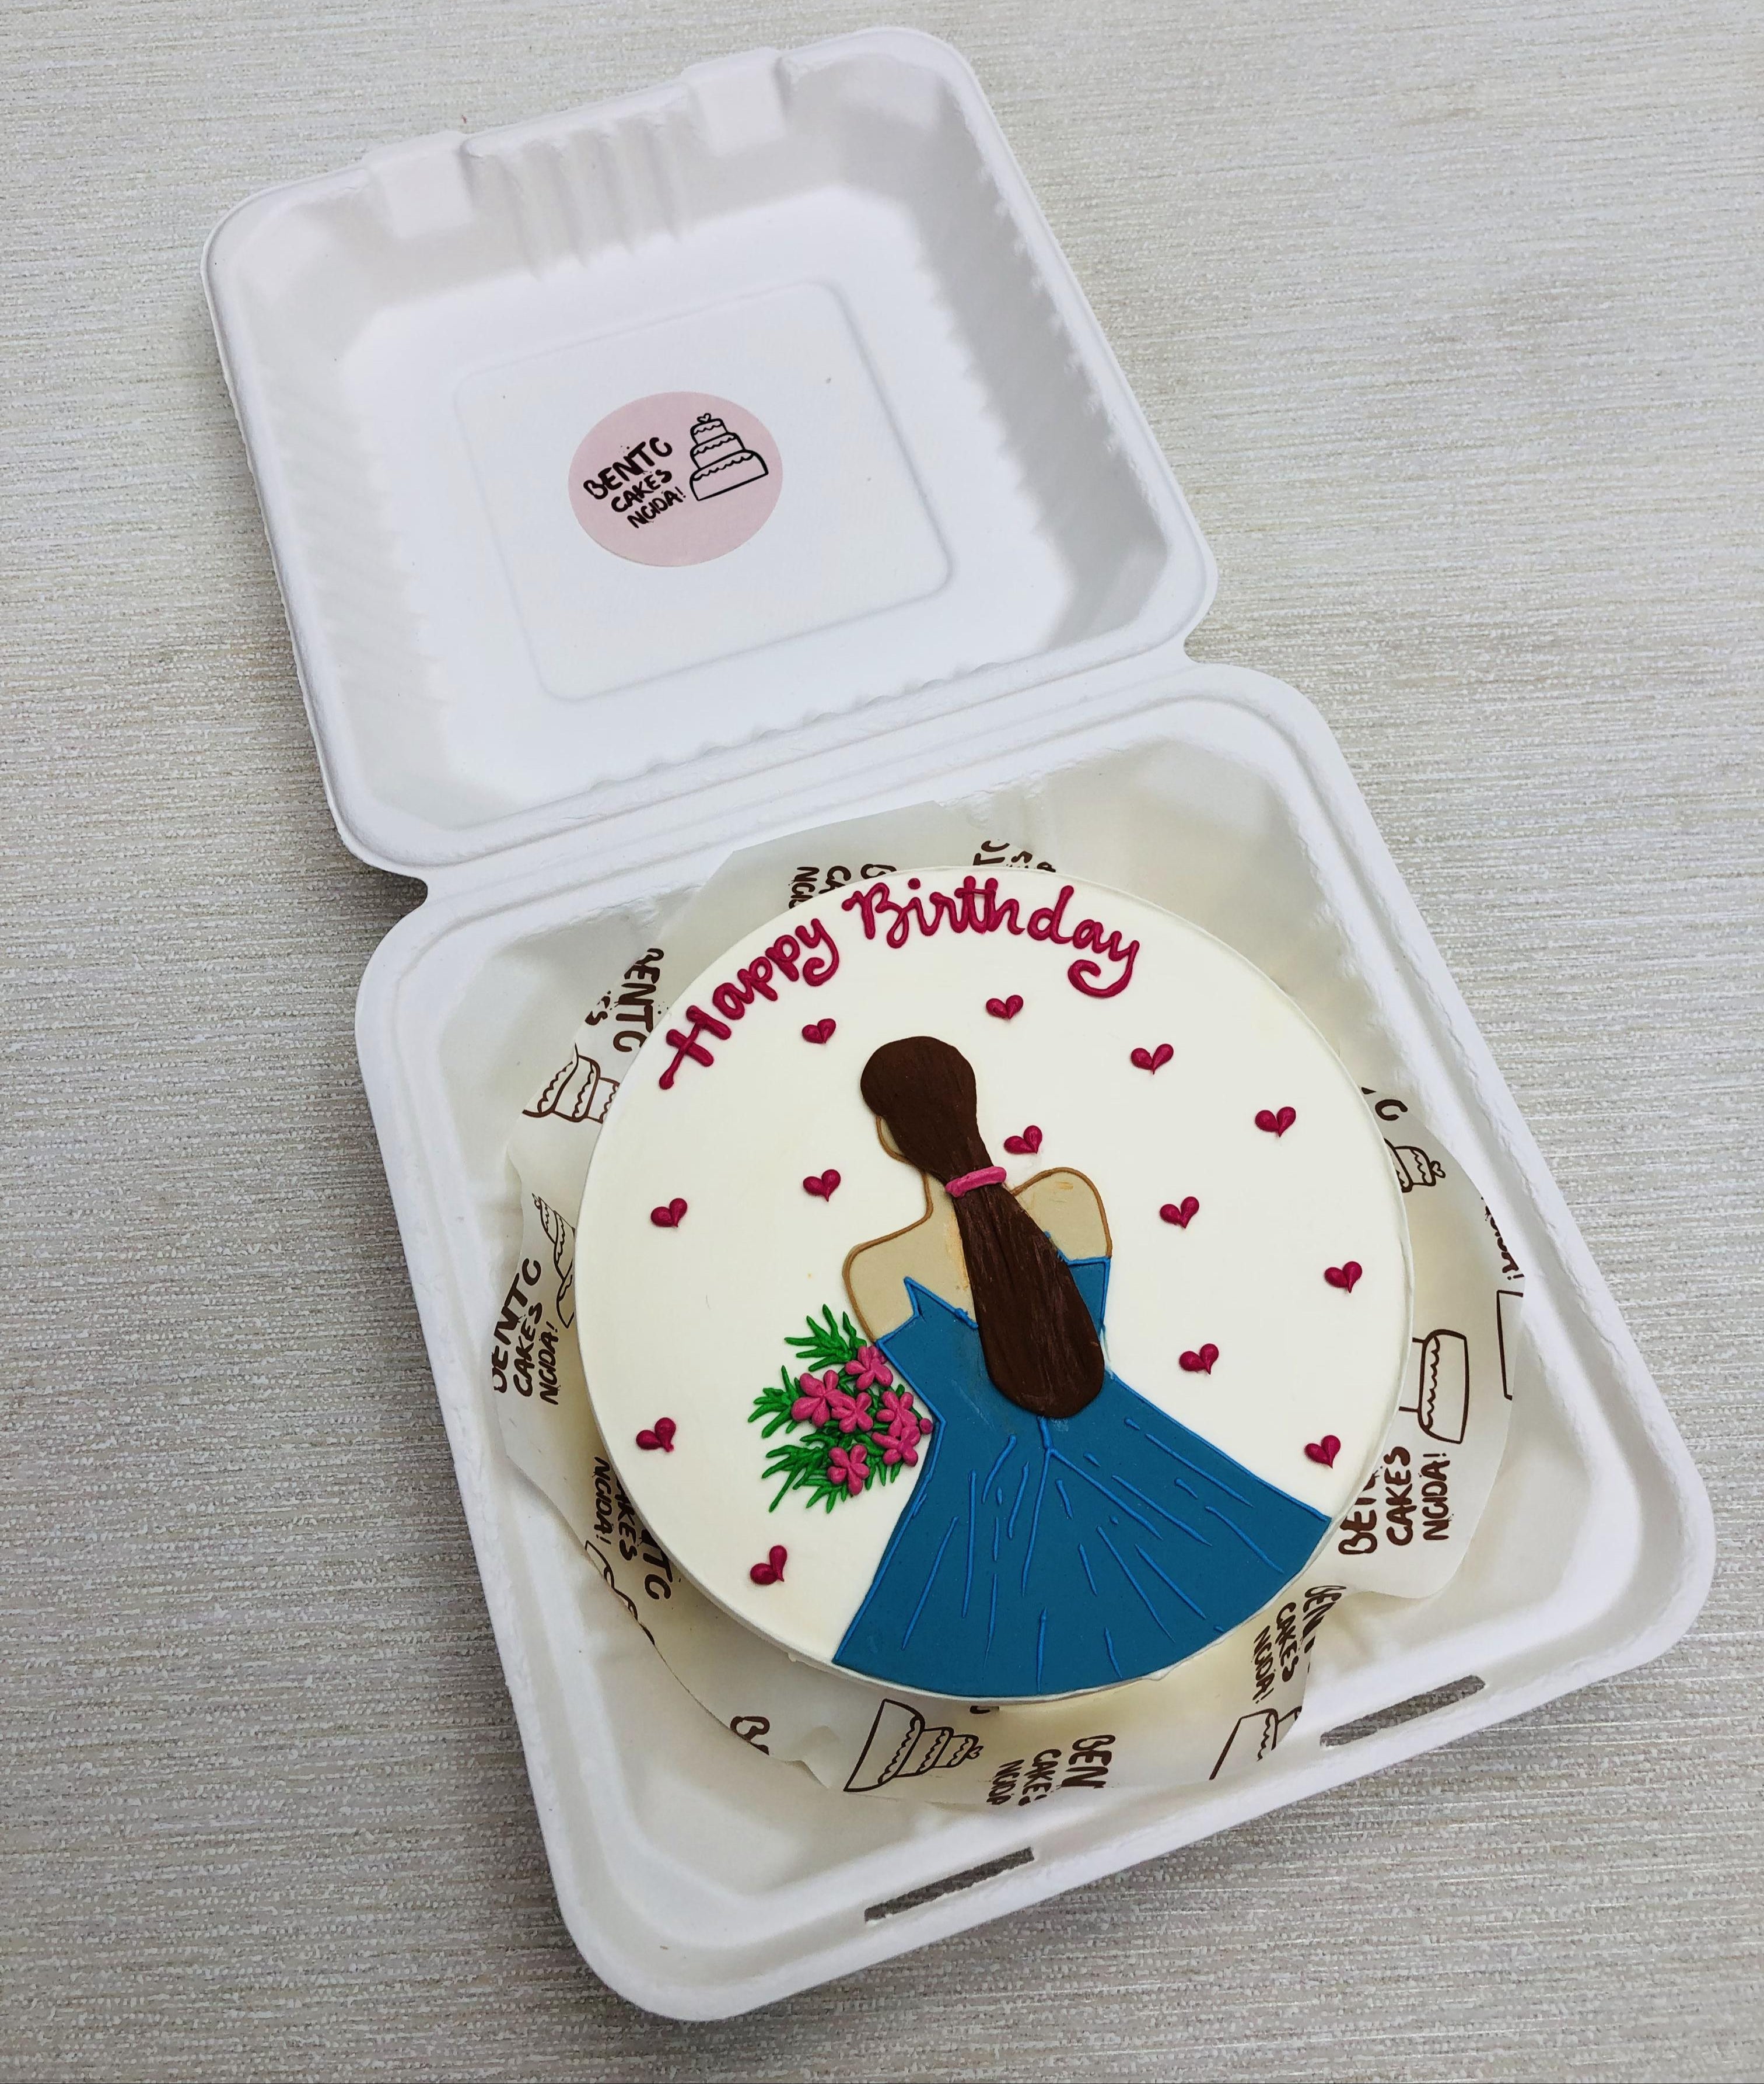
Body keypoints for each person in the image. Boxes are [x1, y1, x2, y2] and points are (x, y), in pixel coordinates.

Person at [835, 1036, 1328, 1698]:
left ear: (891, 1140)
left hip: (978, 1510)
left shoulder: (877, 1271)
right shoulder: (1068, 1198)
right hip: (1139, 1460)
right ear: (972, 1105)